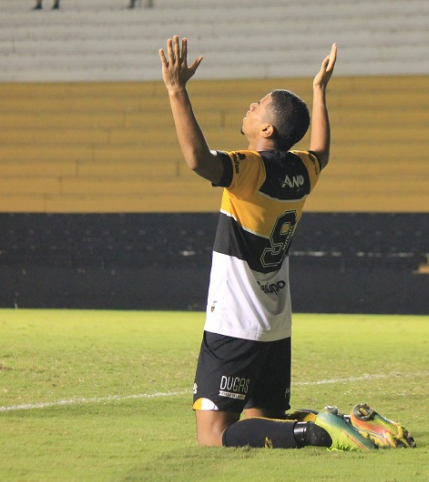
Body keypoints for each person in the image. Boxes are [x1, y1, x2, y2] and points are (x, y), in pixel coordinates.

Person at [159, 35, 415, 450]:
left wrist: (176, 89)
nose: (249, 107)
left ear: (267, 128)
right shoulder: (303, 169)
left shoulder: (251, 169)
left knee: (213, 436)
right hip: (275, 324)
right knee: (265, 424)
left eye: (256, 105)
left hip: (235, 323)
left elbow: (198, 159)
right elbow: (322, 152)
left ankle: (321, 431)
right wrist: (319, 91)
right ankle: (353, 423)